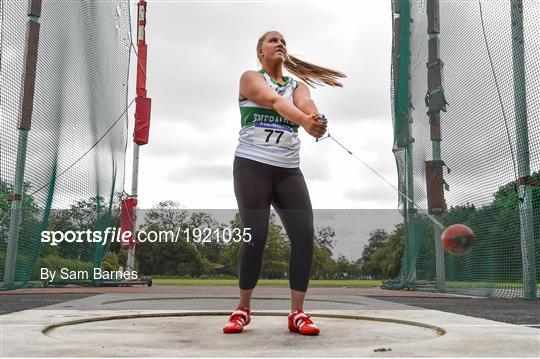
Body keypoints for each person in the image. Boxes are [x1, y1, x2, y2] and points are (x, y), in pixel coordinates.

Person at [223, 31, 345, 335]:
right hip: (252, 165)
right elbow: (274, 101)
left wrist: (316, 120)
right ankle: (243, 307)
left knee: (304, 236)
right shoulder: (250, 78)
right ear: (260, 51)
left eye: (283, 42)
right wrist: (304, 122)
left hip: (288, 170)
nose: (280, 44)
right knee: (256, 235)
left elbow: (306, 104)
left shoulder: (297, 86)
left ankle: (297, 312)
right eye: (272, 40)